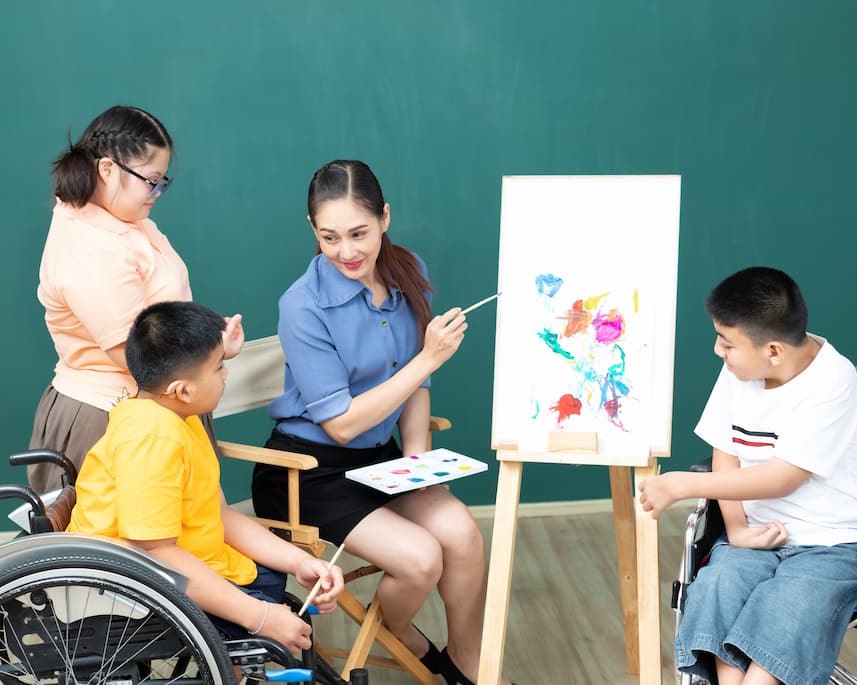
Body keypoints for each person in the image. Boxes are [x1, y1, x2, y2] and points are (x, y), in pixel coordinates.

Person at [252, 160, 512, 685]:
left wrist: (417, 462)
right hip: (307, 472)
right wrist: (427, 358)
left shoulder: (408, 272)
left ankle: (468, 667)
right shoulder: (301, 306)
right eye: (329, 237)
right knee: (421, 559)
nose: (346, 251)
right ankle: (403, 638)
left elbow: (416, 386)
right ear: (312, 229)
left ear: (384, 218)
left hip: (377, 460)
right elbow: (341, 425)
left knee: (462, 535)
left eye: (359, 233)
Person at [638, 267, 857, 685]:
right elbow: (726, 451)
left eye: (726, 343)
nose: (718, 350)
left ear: (773, 351)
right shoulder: (739, 370)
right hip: (755, 538)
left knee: (791, 606)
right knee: (718, 586)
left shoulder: (833, 382)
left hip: (831, 544)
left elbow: (782, 477)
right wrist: (736, 529)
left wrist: (683, 484)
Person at [67, 301, 343, 653]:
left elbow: (219, 514)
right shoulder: (152, 438)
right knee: (263, 618)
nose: (226, 375)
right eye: (219, 367)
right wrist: (260, 617)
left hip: (189, 561)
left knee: (272, 576)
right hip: (133, 586)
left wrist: (300, 561)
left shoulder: (178, 416)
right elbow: (156, 553)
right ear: (183, 390)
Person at [30, 105, 243, 493]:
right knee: (141, 529)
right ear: (107, 170)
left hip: (162, 403)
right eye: (151, 181)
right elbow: (135, 355)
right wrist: (212, 353)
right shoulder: (90, 246)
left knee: (193, 524)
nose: (156, 193)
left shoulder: (125, 220)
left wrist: (211, 346)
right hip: (111, 418)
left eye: (162, 182)